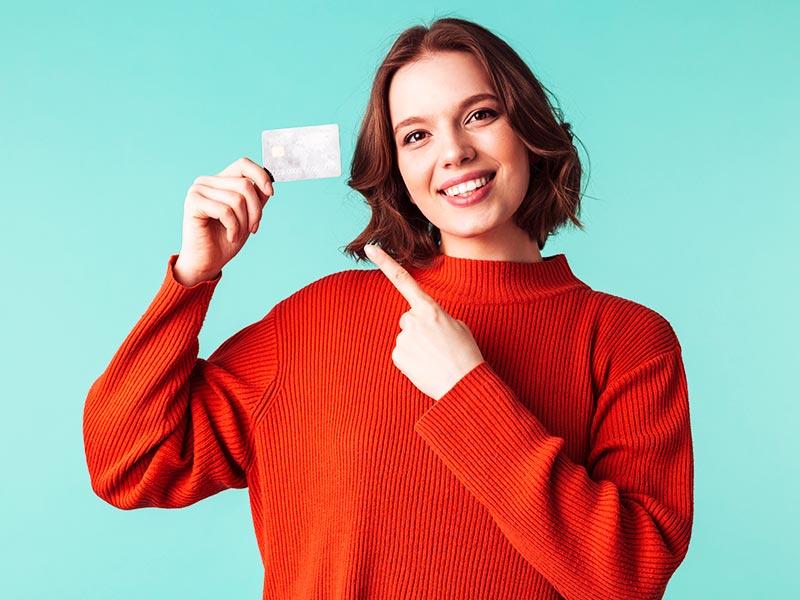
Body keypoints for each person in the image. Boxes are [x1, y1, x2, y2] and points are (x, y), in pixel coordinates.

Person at [83, 17, 693, 600]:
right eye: (417, 135)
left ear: (529, 129)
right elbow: (126, 460)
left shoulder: (627, 338)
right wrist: (192, 276)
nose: (453, 152)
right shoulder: (315, 320)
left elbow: (629, 580)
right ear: (397, 168)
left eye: (480, 114)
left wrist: (467, 390)